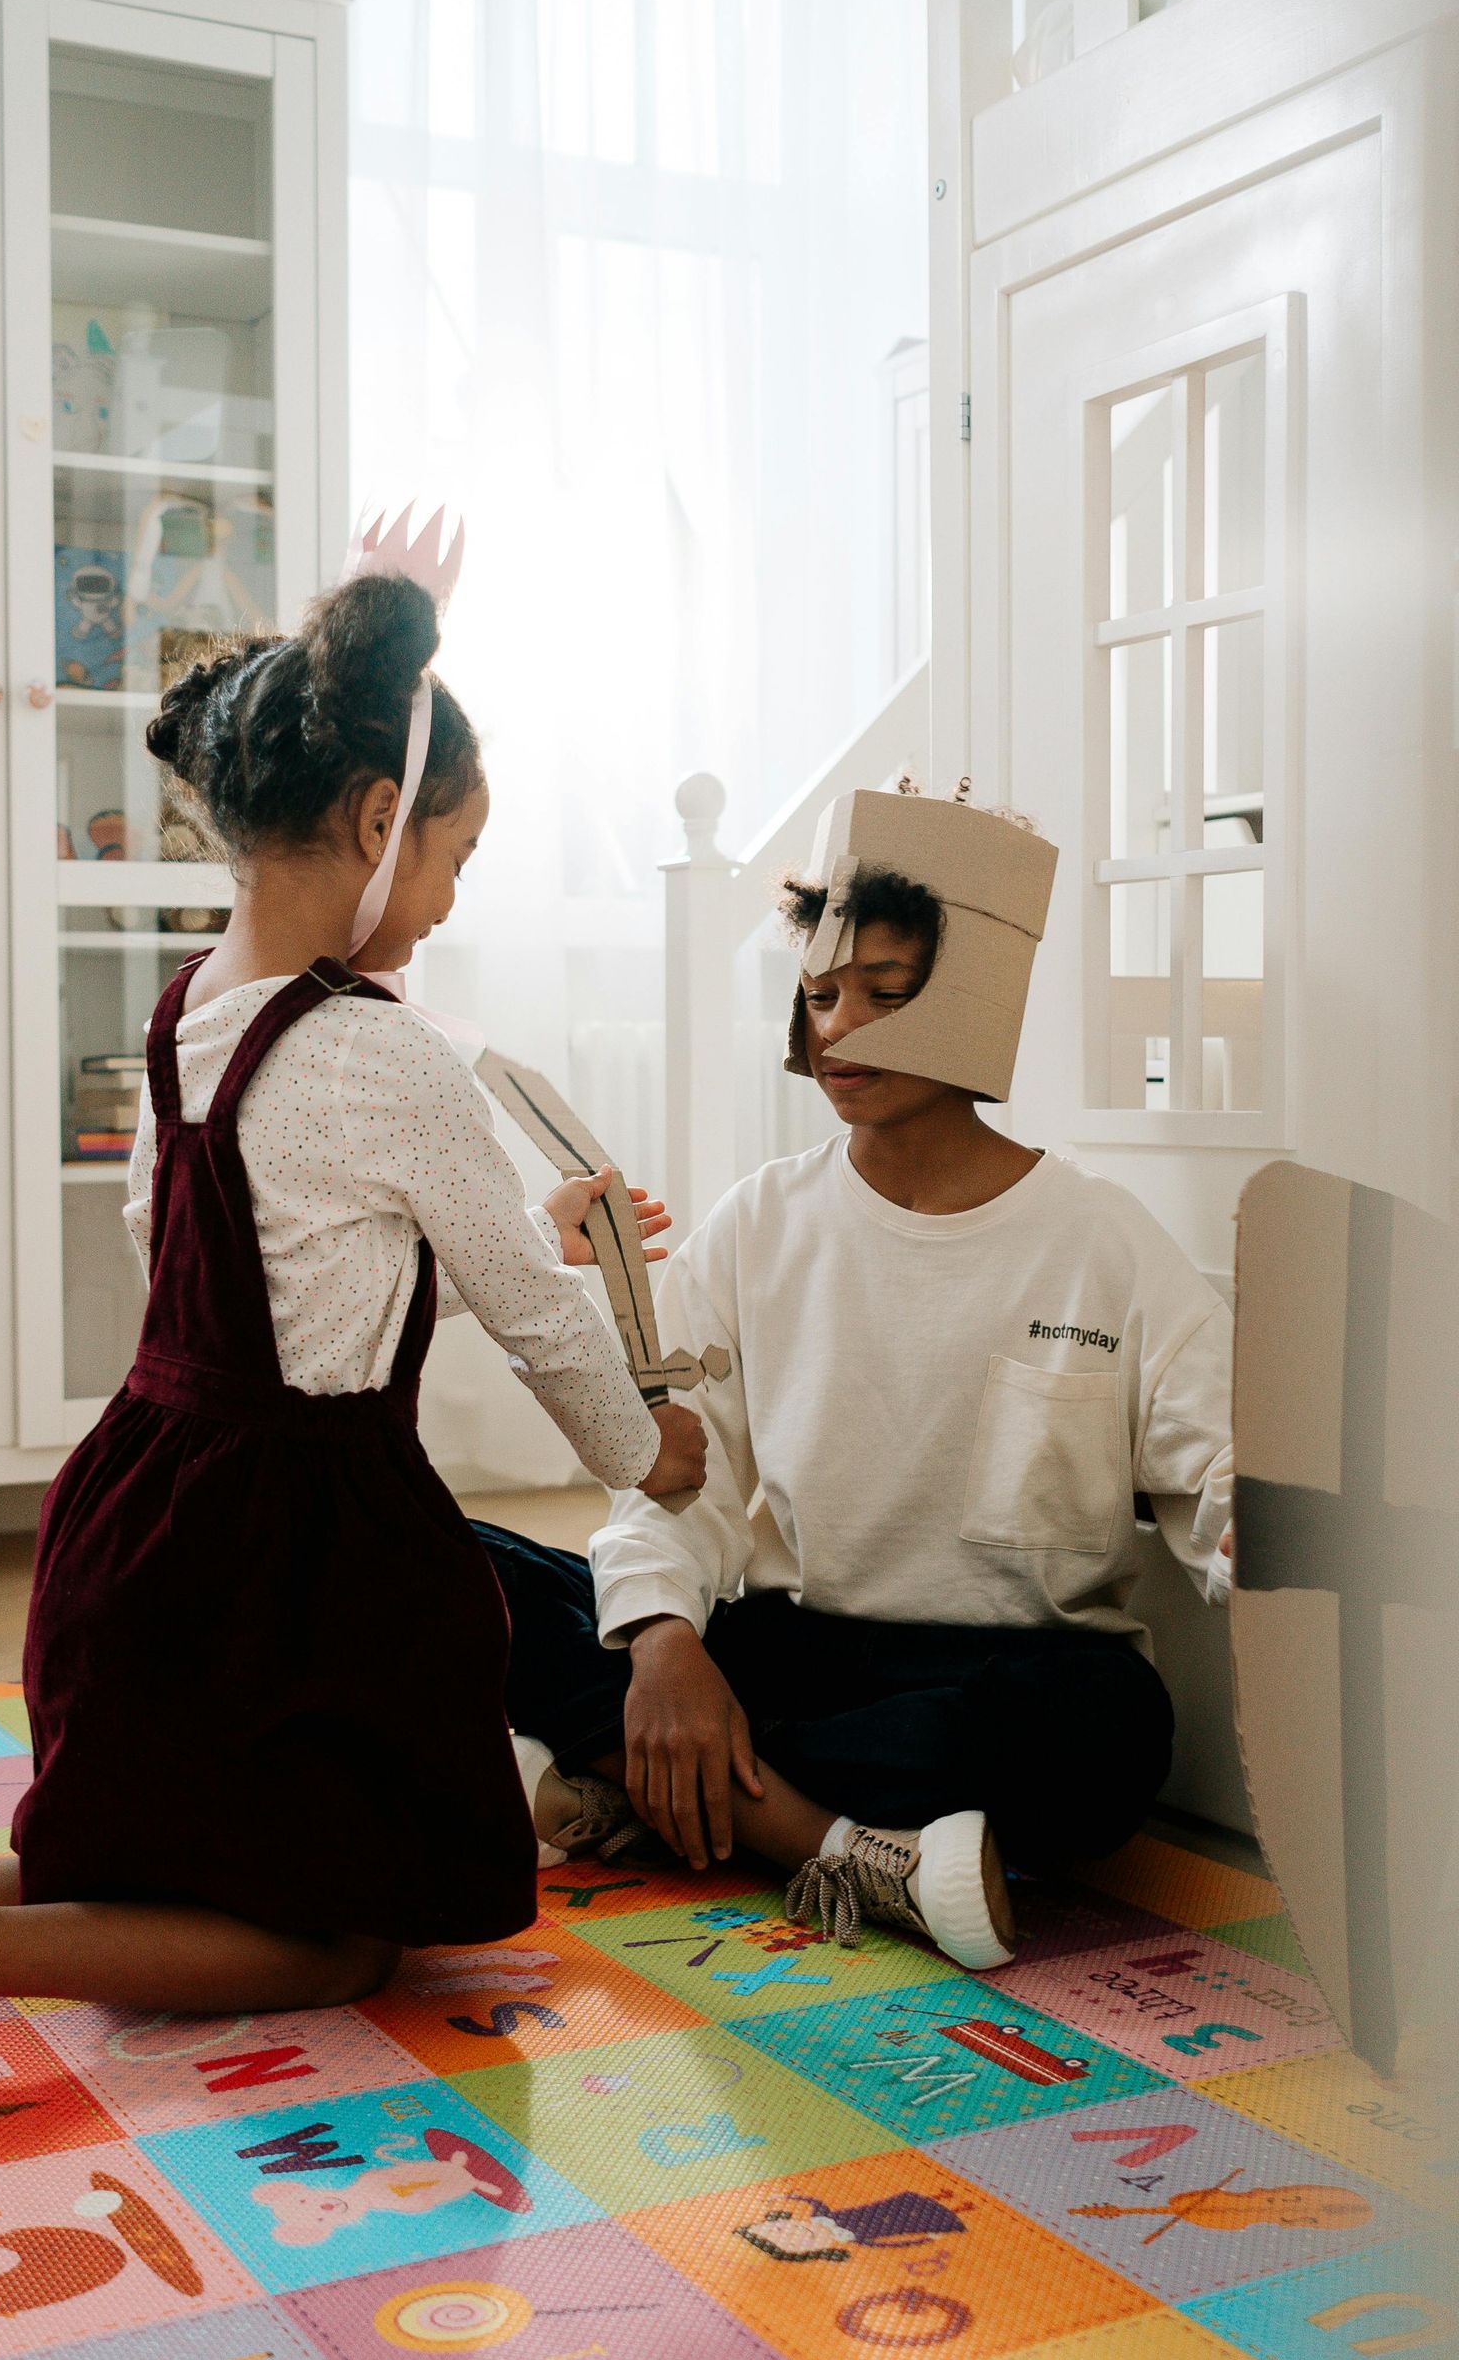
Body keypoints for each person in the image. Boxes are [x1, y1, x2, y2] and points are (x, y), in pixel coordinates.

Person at [0, 569, 706, 2099]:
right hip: (293, 1557)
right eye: (455, 858)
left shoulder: (185, 1014)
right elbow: (535, 1320)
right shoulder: (387, 1053)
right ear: (378, 820)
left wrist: (502, 1231)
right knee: (338, 1941)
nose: (452, 899)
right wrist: (647, 1453)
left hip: (140, 1515)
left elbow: (217, 1257)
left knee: (177, 1867)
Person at [484, 785, 1232, 1973]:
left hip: (1002, 1679)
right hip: (798, 1648)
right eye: (822, 996)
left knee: (1113, 1738)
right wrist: (668, 1645)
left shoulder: (1102, 1239)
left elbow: (1218, 1466)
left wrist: (1273, 1542)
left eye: (886, 994)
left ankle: (637, 1783)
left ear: (974, 1002)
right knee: (461, 1565)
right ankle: (833, 1843)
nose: (839, 1032)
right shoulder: (759, 1223)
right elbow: (672, 1472)